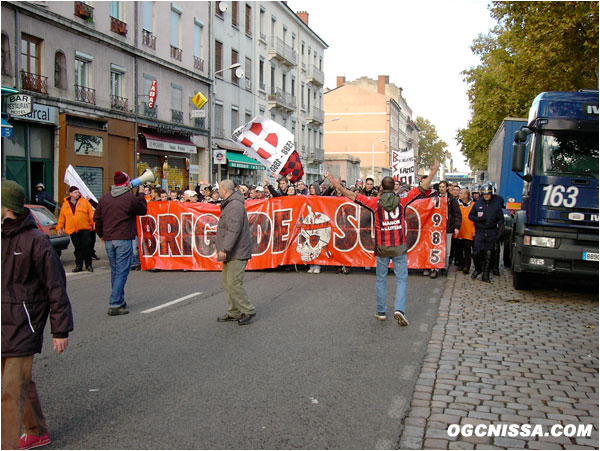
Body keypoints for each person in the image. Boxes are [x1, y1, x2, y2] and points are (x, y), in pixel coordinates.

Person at [1, 180, 74, 451]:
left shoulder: (36, 241)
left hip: (24, 322)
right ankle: (37, 432)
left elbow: (56, 285)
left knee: (11, 390)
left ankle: (5, 444)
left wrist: (60, 330)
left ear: (6, 207)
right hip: (3, 321)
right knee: (20, 382)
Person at [327, 160, 439, 326]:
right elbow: (422, 188)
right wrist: (433, 172)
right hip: (399, 246)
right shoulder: (402, 200)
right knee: (401, 279)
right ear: (395, 187)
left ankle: (381, 311)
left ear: (380, 188)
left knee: (381, 279)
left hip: (382, 246)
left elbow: (353, 196)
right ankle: (399, 309)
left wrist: (338, 186)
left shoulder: (374, 203)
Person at [93, 171, 147, 315]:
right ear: (126, 183)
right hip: (123, 238)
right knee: (122, 271)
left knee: (116, 271)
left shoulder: (104, 199)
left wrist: (101, 235)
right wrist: (141, 194)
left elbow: (97, 219)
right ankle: (115, 303)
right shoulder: (129, 198)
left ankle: (119, 300)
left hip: (109, 239)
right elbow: (142, 210)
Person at [215, 180, 256, 326]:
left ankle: (248, 310)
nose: (217, 191)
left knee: (233, 283)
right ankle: (233, 311)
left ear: (225, 190)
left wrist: (225, 249)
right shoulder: (232, 203)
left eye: (219, 188)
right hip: (233, 250)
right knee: (227, 282)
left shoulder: (234, 206)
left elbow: (233, 230)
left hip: (236, 251)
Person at [424, 180, 461, 279]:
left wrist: (457, 226)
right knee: (435, 247)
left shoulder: (451, 199)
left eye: (443, 187)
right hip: (436, 227)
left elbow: (456, 214)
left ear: (447, 188)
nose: (441, 189)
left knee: (447, 249)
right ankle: (434, 268)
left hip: (447, 227)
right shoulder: (434, 197)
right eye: (440, 187)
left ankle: (444, 267)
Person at [468, 182, 504, 283]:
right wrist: (478, 219)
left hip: (491, 231)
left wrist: (499, 233)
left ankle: (486, 274)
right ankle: (478, 268)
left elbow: (500, 220)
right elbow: (471, 216)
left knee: (489, 253)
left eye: (488, 194)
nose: (486, 196)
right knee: (476, 252)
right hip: (480, 231)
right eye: (484, 194)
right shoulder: (478, 204)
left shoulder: (496, 205)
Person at [57, 186, 95, 273]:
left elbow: (91, 214)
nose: (77, 194)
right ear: (70, 194)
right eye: (75, 192)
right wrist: (59, 227)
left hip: (84, 228)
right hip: (73, 230)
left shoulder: (84, 202)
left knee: (86, 247)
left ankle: (88, 265)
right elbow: (62, 217)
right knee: (77, 249)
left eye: (78, 192)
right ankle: (79, 265)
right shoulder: (65, 204)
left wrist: (94, 224)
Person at [456, 188, 475, 274]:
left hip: (469, 230)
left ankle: (467, 266)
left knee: (467, 249)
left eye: (461, 193)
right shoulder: (457, 204)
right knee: (459, 249)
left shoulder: (473, 205)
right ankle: (460, 263)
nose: (459, 194)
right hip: (459, 230)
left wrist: (474, 230)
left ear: (466, 195)